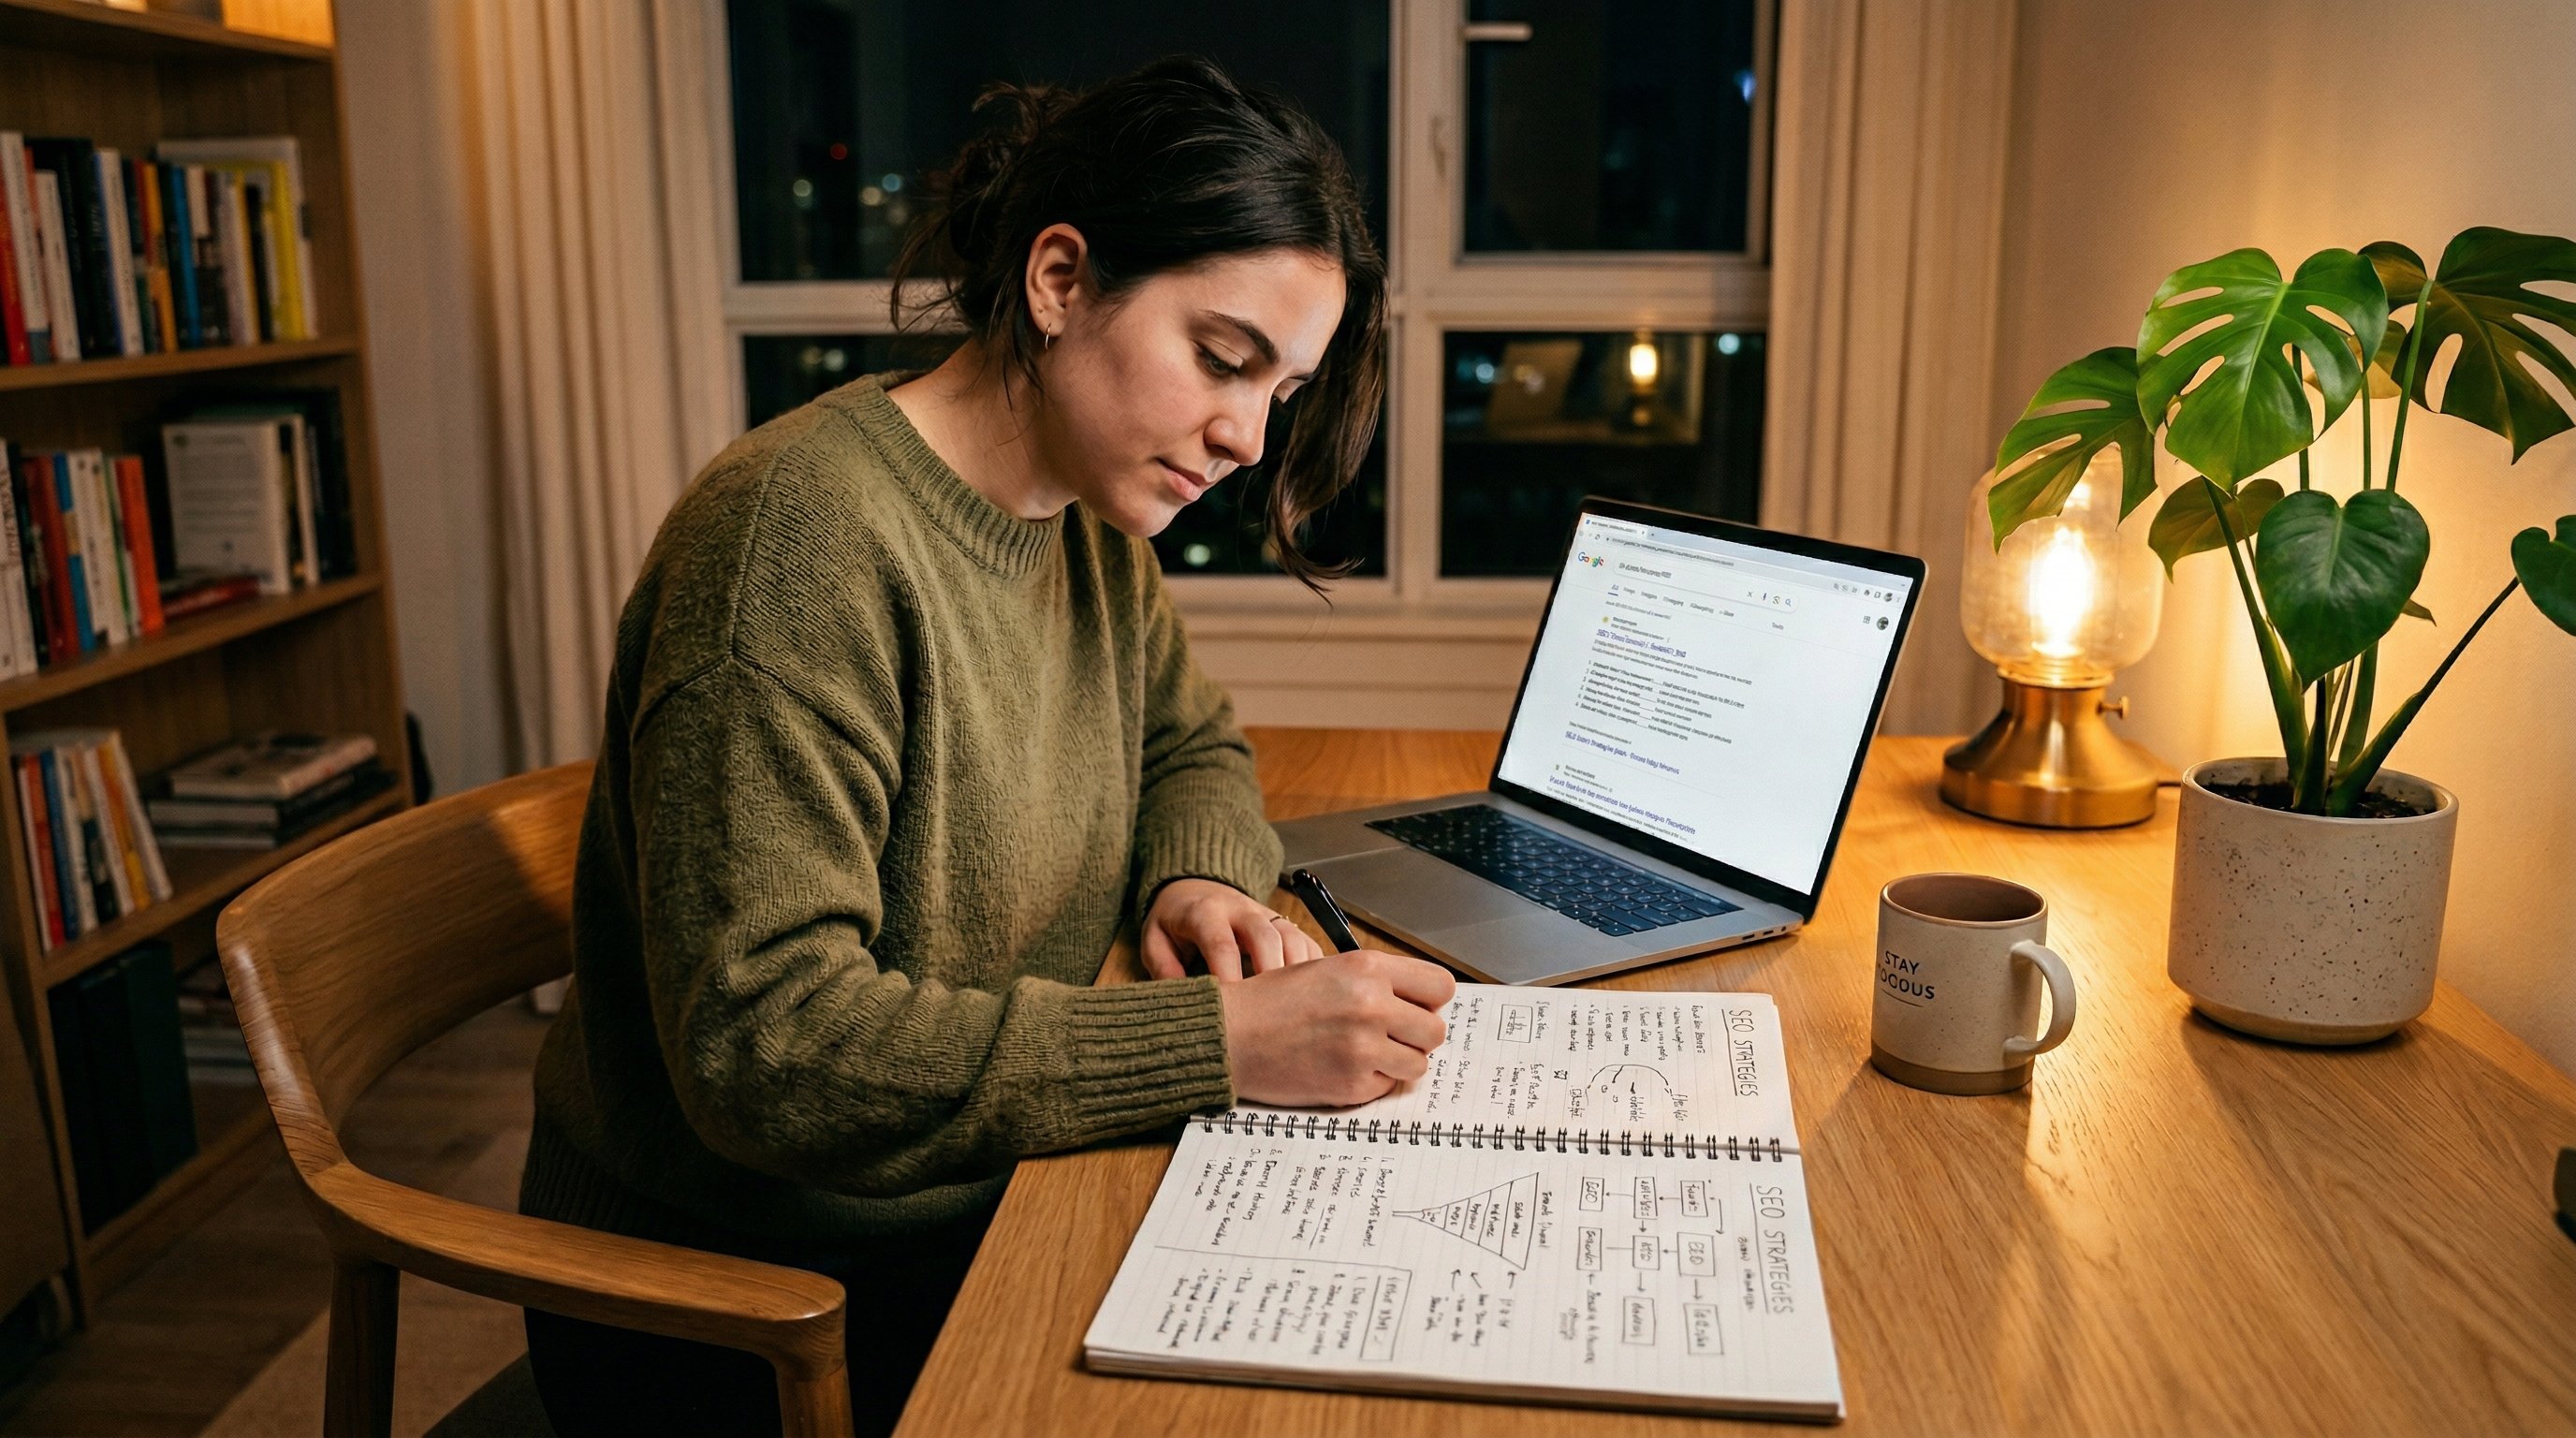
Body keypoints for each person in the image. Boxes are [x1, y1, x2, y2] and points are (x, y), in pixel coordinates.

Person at [518, 54, 1456, 1436]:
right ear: (1060, 280)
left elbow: (1190, 741)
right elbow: (767, 1049)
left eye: (1282, 391)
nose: (1249, 438)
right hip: (751, 1298)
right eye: (1224, 359)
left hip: (979, 1189)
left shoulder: (1084, 516)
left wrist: (1193, 884)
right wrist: (1213, 1041)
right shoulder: (795, 545)